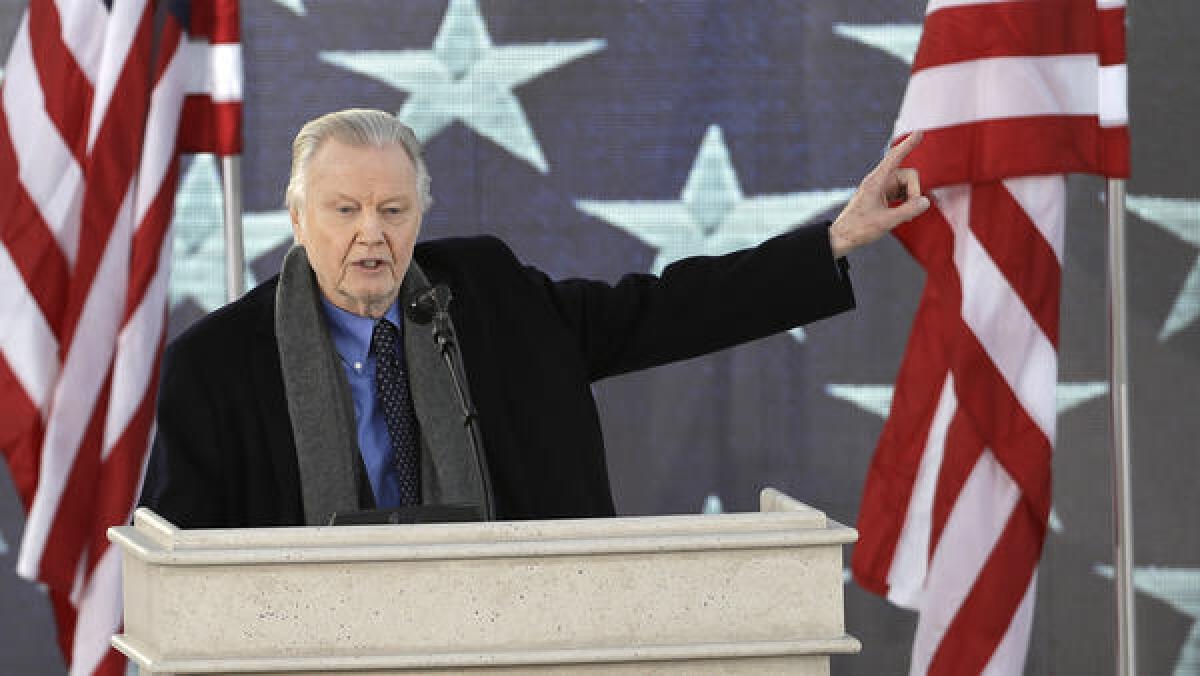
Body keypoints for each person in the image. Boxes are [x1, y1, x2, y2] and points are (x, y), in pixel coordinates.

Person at [139, 108, 928, 529]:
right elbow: (177, 566)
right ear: (297, 217)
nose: (370, 233)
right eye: (344, 209)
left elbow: (662, 311)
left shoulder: (488, 298)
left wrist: (835, 237)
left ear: (421, 215)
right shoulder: (218, 364)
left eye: (393, 209)